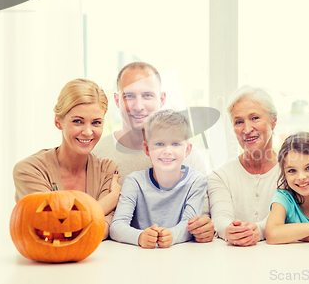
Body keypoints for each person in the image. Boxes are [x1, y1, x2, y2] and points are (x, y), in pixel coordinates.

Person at [92, 62, 213, 242]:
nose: (139, 106)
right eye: (129, 96)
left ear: (162, 99)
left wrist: (206, 226)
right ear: (117, 100)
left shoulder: (188, 155)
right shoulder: (98, 153)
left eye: (147, 95)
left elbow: (202, 215)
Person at [13, 79, 121, 240]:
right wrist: (110, 200)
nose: (87, 131)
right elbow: (53, 229)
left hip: (95, 262)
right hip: (42, 263)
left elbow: (104, 229)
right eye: (78, 121)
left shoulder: (107, 170)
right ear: (58, 121)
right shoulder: (29, 170)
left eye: (96, 122)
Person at [109, 110, 207, 248]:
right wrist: (140, 237)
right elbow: (117, 226)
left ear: (187, 150)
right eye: (159, 144)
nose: (167, 151)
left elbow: (190, 224)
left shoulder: (196, 181)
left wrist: (171, 235)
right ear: (147, 149)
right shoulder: (134, 181)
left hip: (181, 256)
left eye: (176, 144)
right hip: (139, 256)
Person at [208, 85, 279, 246]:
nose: (247, 129)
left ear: (273, 122)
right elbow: (220, 217)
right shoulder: (220, 176)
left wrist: (259, 230)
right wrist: (229, 230)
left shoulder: (292, 172)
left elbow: (287, 216)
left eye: (255, 118)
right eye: (239, 122)